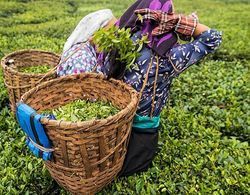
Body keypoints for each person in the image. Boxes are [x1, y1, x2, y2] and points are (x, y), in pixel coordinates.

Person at [57, 0, 222, 177]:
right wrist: (182, 23)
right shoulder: (167, 57)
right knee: (132, 168)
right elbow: (213, 38)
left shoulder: (119, 40)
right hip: (139, 134)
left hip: (111, 127)